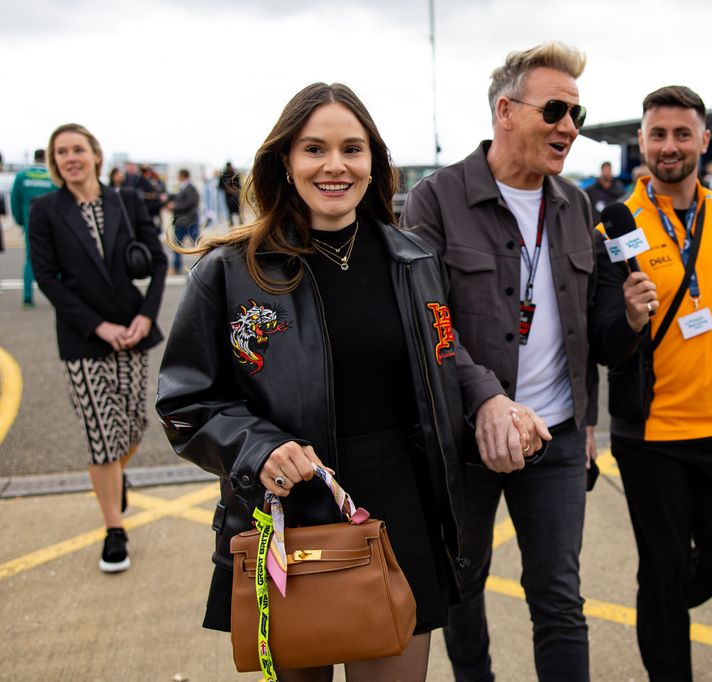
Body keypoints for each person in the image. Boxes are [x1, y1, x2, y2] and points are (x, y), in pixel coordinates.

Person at [156, 82, 543, 682]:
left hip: (401, 508)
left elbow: (444, 354)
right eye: (314, 149)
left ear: (373, 164)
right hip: (293, 511)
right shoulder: (230, 273)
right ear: (284, 161)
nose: (335, 165)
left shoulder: (414, 260)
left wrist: (492, 399)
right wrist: (256, 448)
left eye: (352, 149)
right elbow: (185, 403)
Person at [401, 41, 597, 682]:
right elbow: (427, 321)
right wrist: (485, 396)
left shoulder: (578, 205)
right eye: (556, 110)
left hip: (558, 437)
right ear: (506, 111)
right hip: (466, 437)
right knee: (462, 582)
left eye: (578, 114)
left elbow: (587, 331)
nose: (569, 127)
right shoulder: (436, 200)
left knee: (560, 597)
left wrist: (630, 315)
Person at [590, 85, 712, 681]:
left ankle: (660, 610)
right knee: (663, 568)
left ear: (704, 140)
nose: (670, 146)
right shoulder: (613, 227)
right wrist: (630, 317)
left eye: (682, 133)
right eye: (658, 134)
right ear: (641, 141)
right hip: (653, 435)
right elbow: (603, 341)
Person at [29, 123, 168, 572]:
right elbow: (47, 278)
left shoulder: (125, 200)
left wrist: (146, 314)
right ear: (55, 162)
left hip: (132, 330)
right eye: (61, 152)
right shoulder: (46, 210)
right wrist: (98, 326)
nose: (70, 157)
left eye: (77, 149)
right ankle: (114, 529)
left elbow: (160, 259)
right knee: (101, 437)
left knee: (133, 424)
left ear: (94, 155)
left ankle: (112, 479)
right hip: (83, 338)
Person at [10, 148, 57, 309]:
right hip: (54, 226)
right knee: (57, 261)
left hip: (30, 224)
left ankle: (27, 298)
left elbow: (14, 201)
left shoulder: (22, 176)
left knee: (31, 260)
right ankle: (58, 297)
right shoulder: (53, 177)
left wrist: (20, 221)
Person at [168, 168, 199, 274]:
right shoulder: (184, 188)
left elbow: (190, 203)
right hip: (183, 221)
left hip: (187, 221)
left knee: (198, 245)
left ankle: (207, 266)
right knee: (178, 246)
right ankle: (176, 268)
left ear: (182, 176)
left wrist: (175, 206)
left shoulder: (190, 188)